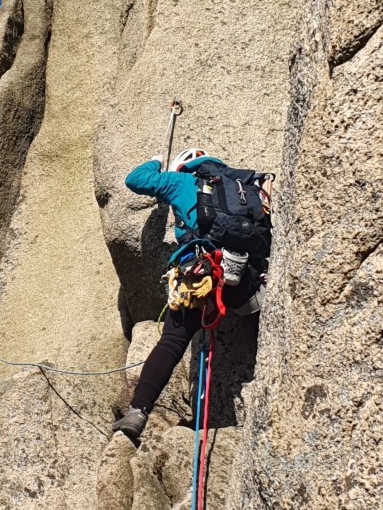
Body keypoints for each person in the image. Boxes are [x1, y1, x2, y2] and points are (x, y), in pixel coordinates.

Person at [114, 147, 271, 445]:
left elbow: (135, 180)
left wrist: (156, 161)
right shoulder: (244, 185)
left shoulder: (182, 181)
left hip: (200, 272)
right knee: (257, 326)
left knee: (172, 341)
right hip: (243, 274)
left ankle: (137, 413)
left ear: (184, 166)